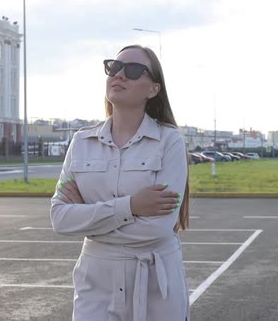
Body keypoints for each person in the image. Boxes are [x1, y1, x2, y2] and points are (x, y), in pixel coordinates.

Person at [51, 44, 190, 321]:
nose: (120, 75)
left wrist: (90, 217)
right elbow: (60, 218)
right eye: (114, 67)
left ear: (153, 90)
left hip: (156, 286)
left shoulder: (169, 141)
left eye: (134, 70)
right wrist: (132, 206)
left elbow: (158, 228)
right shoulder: (81, 142)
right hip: (97, 285)